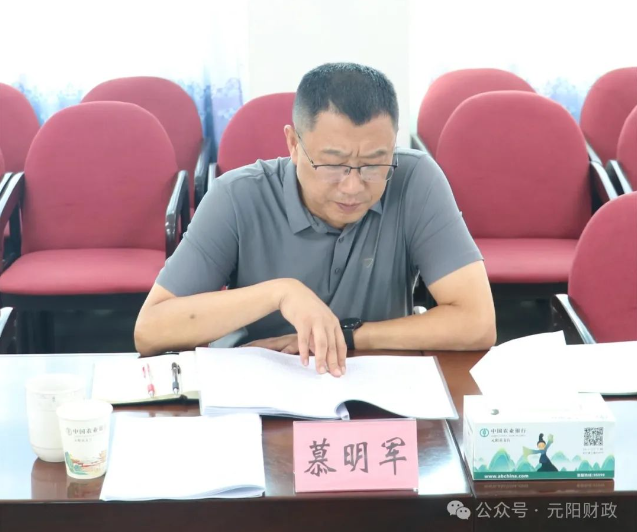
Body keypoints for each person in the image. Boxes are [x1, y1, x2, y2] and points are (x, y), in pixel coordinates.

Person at [134, 62, 496, 376]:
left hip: (376, 383)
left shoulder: (416, 180)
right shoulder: (236, 196)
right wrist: (280, 293)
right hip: (261, 385)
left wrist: (348, 335)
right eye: (333, 164)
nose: (353, 187)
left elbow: (478, 322)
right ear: (294, 144)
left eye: (374, 163)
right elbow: (150, 330)